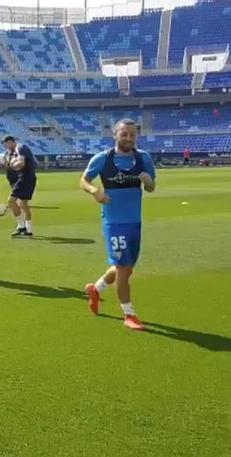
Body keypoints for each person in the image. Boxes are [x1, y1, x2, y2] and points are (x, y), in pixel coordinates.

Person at [80, 119, 156, 331]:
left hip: (135, 221)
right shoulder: (103, 159)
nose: (129, 138)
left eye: (132, 135)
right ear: (115, 135)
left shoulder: (143, 158)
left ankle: (96, 289)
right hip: (114, 222)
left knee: (126, 268)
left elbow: (151, 187)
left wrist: (148, 182)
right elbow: (84, 180)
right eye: (124, 134)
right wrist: (95, 191)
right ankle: (129, 314)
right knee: (123, 268)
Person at [0, 136, 38, 237]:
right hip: (30, 178)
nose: (6, 148)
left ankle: (21, 226)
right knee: (23, 205)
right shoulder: (18, 150)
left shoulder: (20, 148)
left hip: (24, 179)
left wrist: (11, 164)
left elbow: (21, 164)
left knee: (11, 201)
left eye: (6, 145)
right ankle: (28, 230)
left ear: (10, 142)